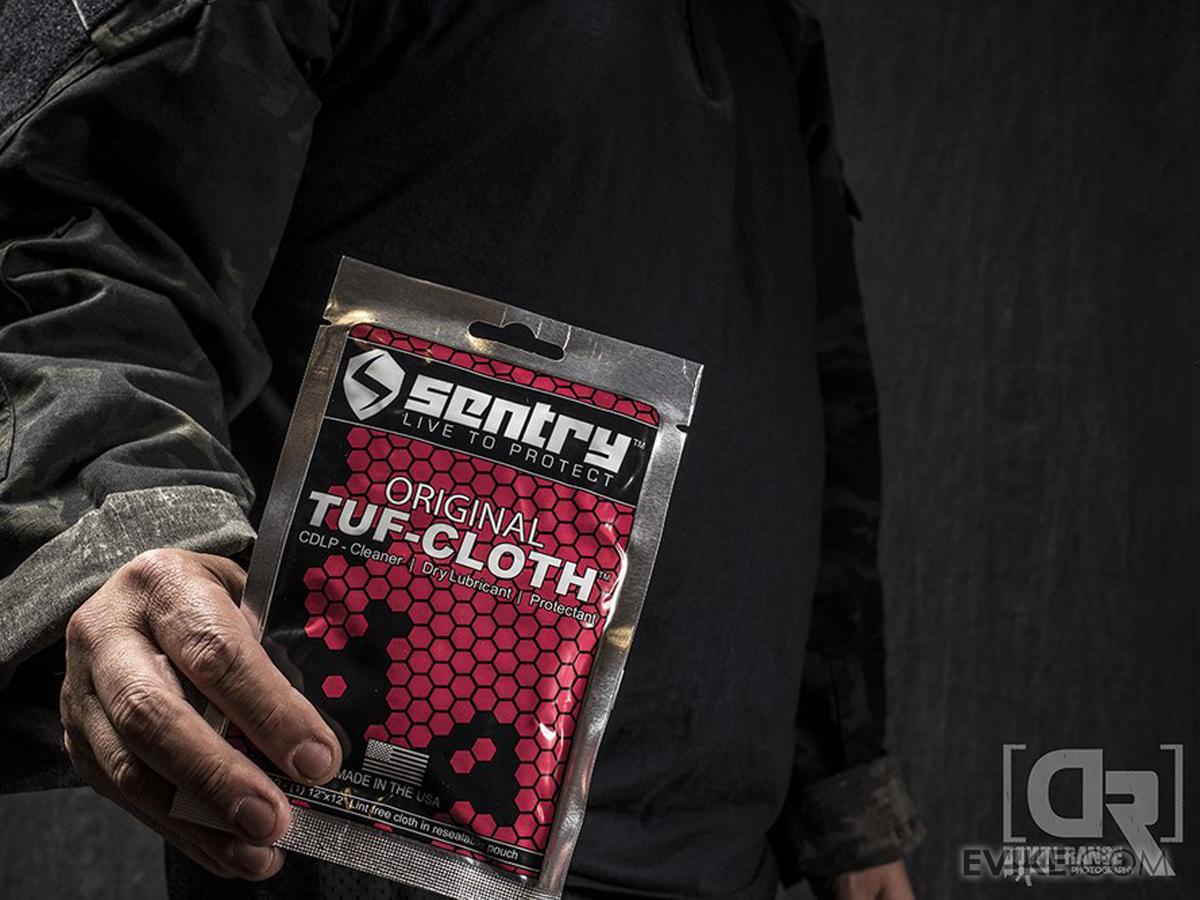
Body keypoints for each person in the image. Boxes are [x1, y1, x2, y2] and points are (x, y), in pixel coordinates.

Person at [0, 0, 922, 897]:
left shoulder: (775, 37)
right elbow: (98, 247)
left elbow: (814, 412)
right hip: (377, 836)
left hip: (725, 851)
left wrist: (845, 791)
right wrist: (124, 539)